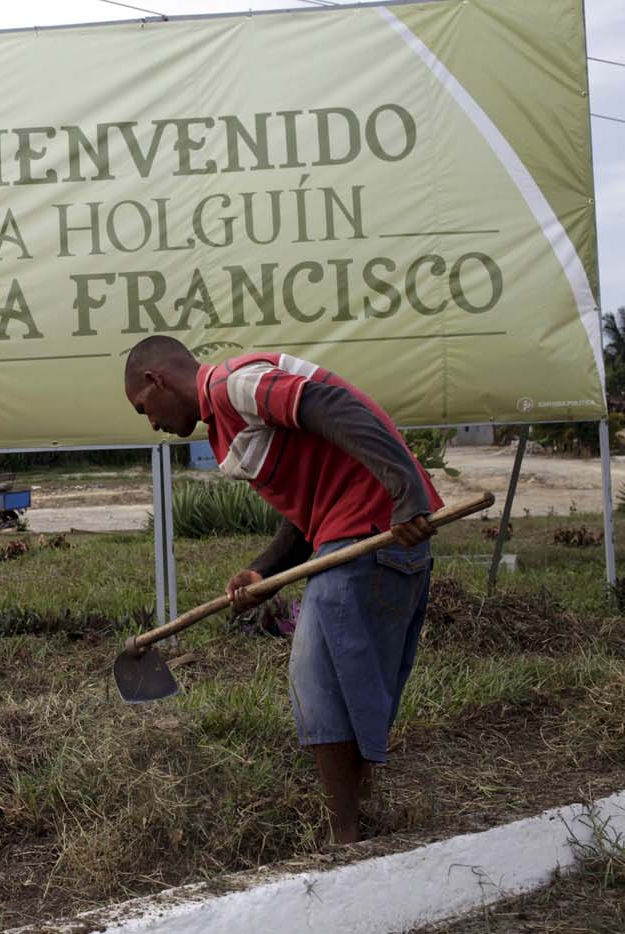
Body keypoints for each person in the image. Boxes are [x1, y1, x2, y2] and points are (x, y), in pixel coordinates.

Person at [123, 336, 442, 845]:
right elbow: (309, 508)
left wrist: (408, 495)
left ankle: (345, 838)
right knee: (335, 685)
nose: (153, 423)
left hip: (374, 528)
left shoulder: (234, 385)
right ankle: (354, 828)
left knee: (315, 679)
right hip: (351, 530)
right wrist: (262, 570)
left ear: (155, 381)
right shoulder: (223, 428)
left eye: (145, 409)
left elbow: (335, 405)